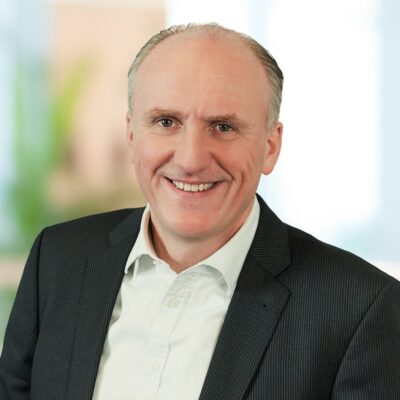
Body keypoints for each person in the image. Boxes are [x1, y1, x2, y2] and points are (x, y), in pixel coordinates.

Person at [0, 23, 399, 400]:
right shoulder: (57, 260)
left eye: (223, 127)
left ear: (270, 146)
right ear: (132, 135)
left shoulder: (360, 310)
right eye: (166, 121)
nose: (191, 159)